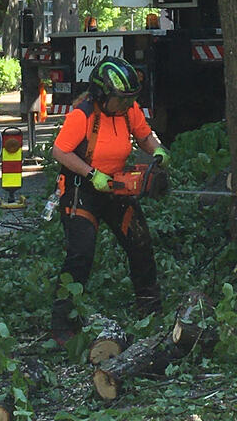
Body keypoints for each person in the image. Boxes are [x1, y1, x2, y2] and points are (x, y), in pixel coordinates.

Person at [50, 56, 170, 345]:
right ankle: (63, 323)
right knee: (81, 254)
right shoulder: (83, 115)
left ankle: (150, 309)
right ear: (103, 94)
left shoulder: (129, 112)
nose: (127, 105)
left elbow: (144, 135)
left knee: (140, 243)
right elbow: (60, 152)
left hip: (117, 188)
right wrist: (92, 174)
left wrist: (158, 150)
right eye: (121, 99)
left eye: (130, 99)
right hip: (82, 191)